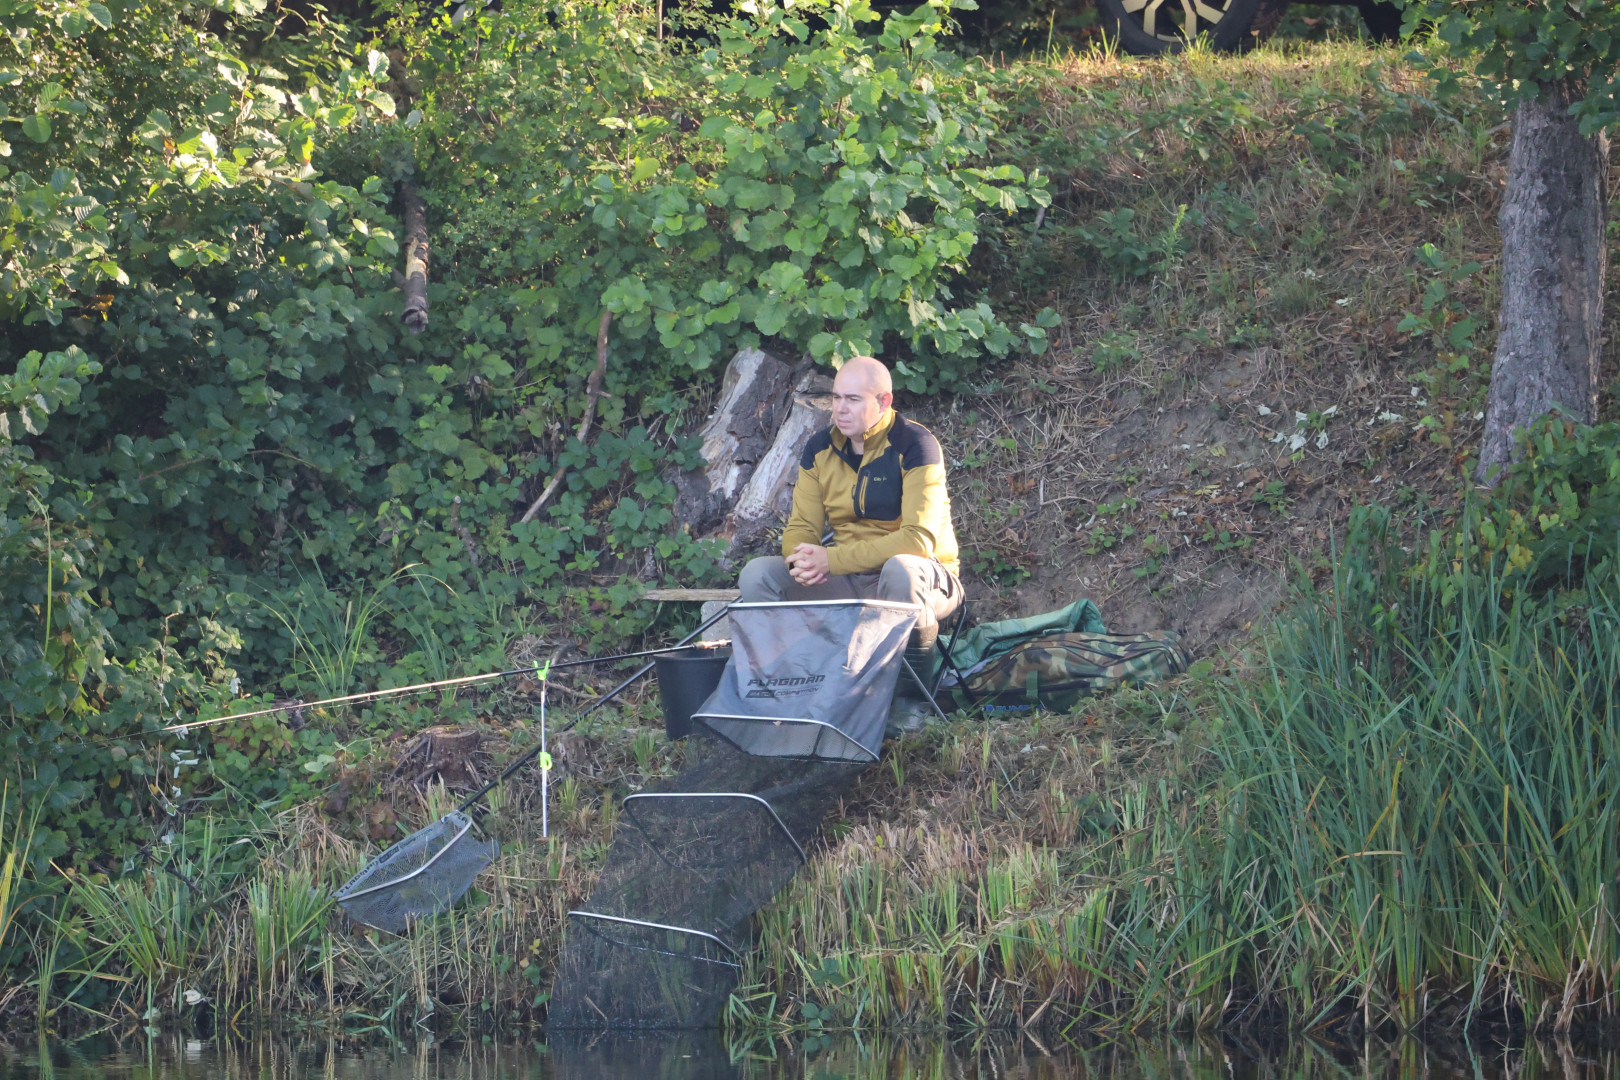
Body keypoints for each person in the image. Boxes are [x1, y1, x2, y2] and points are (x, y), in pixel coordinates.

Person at [738, 355, 962, 689]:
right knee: (758, 575)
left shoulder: (916, 445)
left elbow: (917, 541)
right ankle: (786, 690)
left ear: (883, 401)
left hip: (923, 578)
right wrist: (802, 560)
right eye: (836, 397)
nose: (840, 409)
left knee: (901, 569)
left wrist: (831, 560)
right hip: (848, 578)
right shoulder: (819, 449)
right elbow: (801, 527)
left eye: (853, 399)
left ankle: (908, 700)